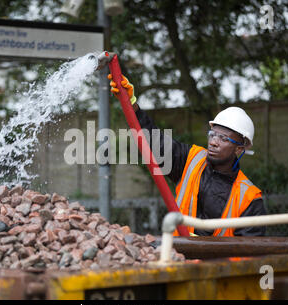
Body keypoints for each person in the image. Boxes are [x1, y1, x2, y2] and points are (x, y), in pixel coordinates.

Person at [109, 74, 266, 236]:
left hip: (217, 262)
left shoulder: (250, 199)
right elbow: (154, 141)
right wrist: (131, 103)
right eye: (212, 134)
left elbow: (247, 254)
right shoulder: (191, 160)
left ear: (239, 149)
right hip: (177, 257)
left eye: (223, 138)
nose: (213, 142)